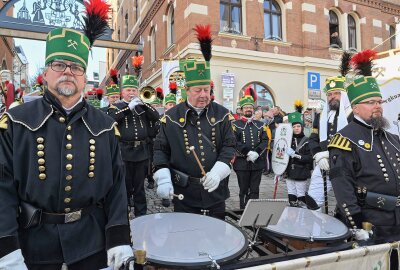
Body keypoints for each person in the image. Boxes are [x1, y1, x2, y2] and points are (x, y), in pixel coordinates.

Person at [0, 5, 132, 269]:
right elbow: (2, 188)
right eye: (60, 65)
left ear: (84, 79)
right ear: (46, 73)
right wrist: (6, 247)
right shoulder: (16, 121)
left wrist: (118, 237)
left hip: (91, 243)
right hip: (33, 245)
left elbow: (117, 185)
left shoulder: (105, 125)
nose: (68, 71)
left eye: (76, 67)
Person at [153, 24, 235, 219]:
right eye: (198, 90)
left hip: (215, 193)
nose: (203, 95)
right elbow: (160, 150)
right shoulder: (171, 117)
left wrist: (218, 172)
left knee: (217, 240)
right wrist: (163, 177)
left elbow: (229, 146)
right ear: (186, 90)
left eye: (206, 90)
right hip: (185, 194)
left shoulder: (222, 114)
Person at [329, 49, 400, 243]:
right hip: (370, 223)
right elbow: (343, 189)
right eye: (370, 102)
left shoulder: (392, 138)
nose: (377, 106)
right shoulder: (344, 140)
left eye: (379, 101)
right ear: (355, 108)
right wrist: (356, 224)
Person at [108, 60, 160, 217]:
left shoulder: (141, 106)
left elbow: (156, 116)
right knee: (124, 187)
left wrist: (143, 104)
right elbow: (111, 120)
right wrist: (127, 108)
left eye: (134, 90)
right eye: (129, 90)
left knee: (139, 188)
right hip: (124, 153)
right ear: (122, 92)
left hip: (141, 153)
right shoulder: (116, 107)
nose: (132, 93)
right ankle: (123, 215)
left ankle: (141, 215)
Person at [306, 51, 353, 211]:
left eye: (337, 93)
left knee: (345, 204)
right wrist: (318, 156)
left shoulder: (352, 115)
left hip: (346, 165)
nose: (333, 97)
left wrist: (329, 153)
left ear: (344, 95)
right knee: (312, 199)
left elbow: (353, 140)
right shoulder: (321, 116)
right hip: (323, 163)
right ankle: (317, 232)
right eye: (330, 94)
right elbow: (313, 138)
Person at [232, 87, 268, 209]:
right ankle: (243, 210)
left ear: (253, 109)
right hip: (241, 163)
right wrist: (247, 152)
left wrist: (257, 153)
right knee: (243, 189)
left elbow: (265, 140)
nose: (248, 109)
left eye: (250, 107)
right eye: (246, 107)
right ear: (241, 110)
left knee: (255, 189)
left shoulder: (261, 124)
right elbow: (234, 142)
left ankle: (252, 212)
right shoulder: (235, 125)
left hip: (257, 163)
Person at [285, 102, 313, 207]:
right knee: (291, 194)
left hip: (301, 170)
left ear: (301, 127)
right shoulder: (288, 140)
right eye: (294, 126)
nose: (296, 128)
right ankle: (292, 217)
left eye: (298, 126)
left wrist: (296, 155)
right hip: (289, 171)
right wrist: (278, 168)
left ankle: (302, 218)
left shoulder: (307, 140)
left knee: (301, 196)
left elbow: (309, 158)